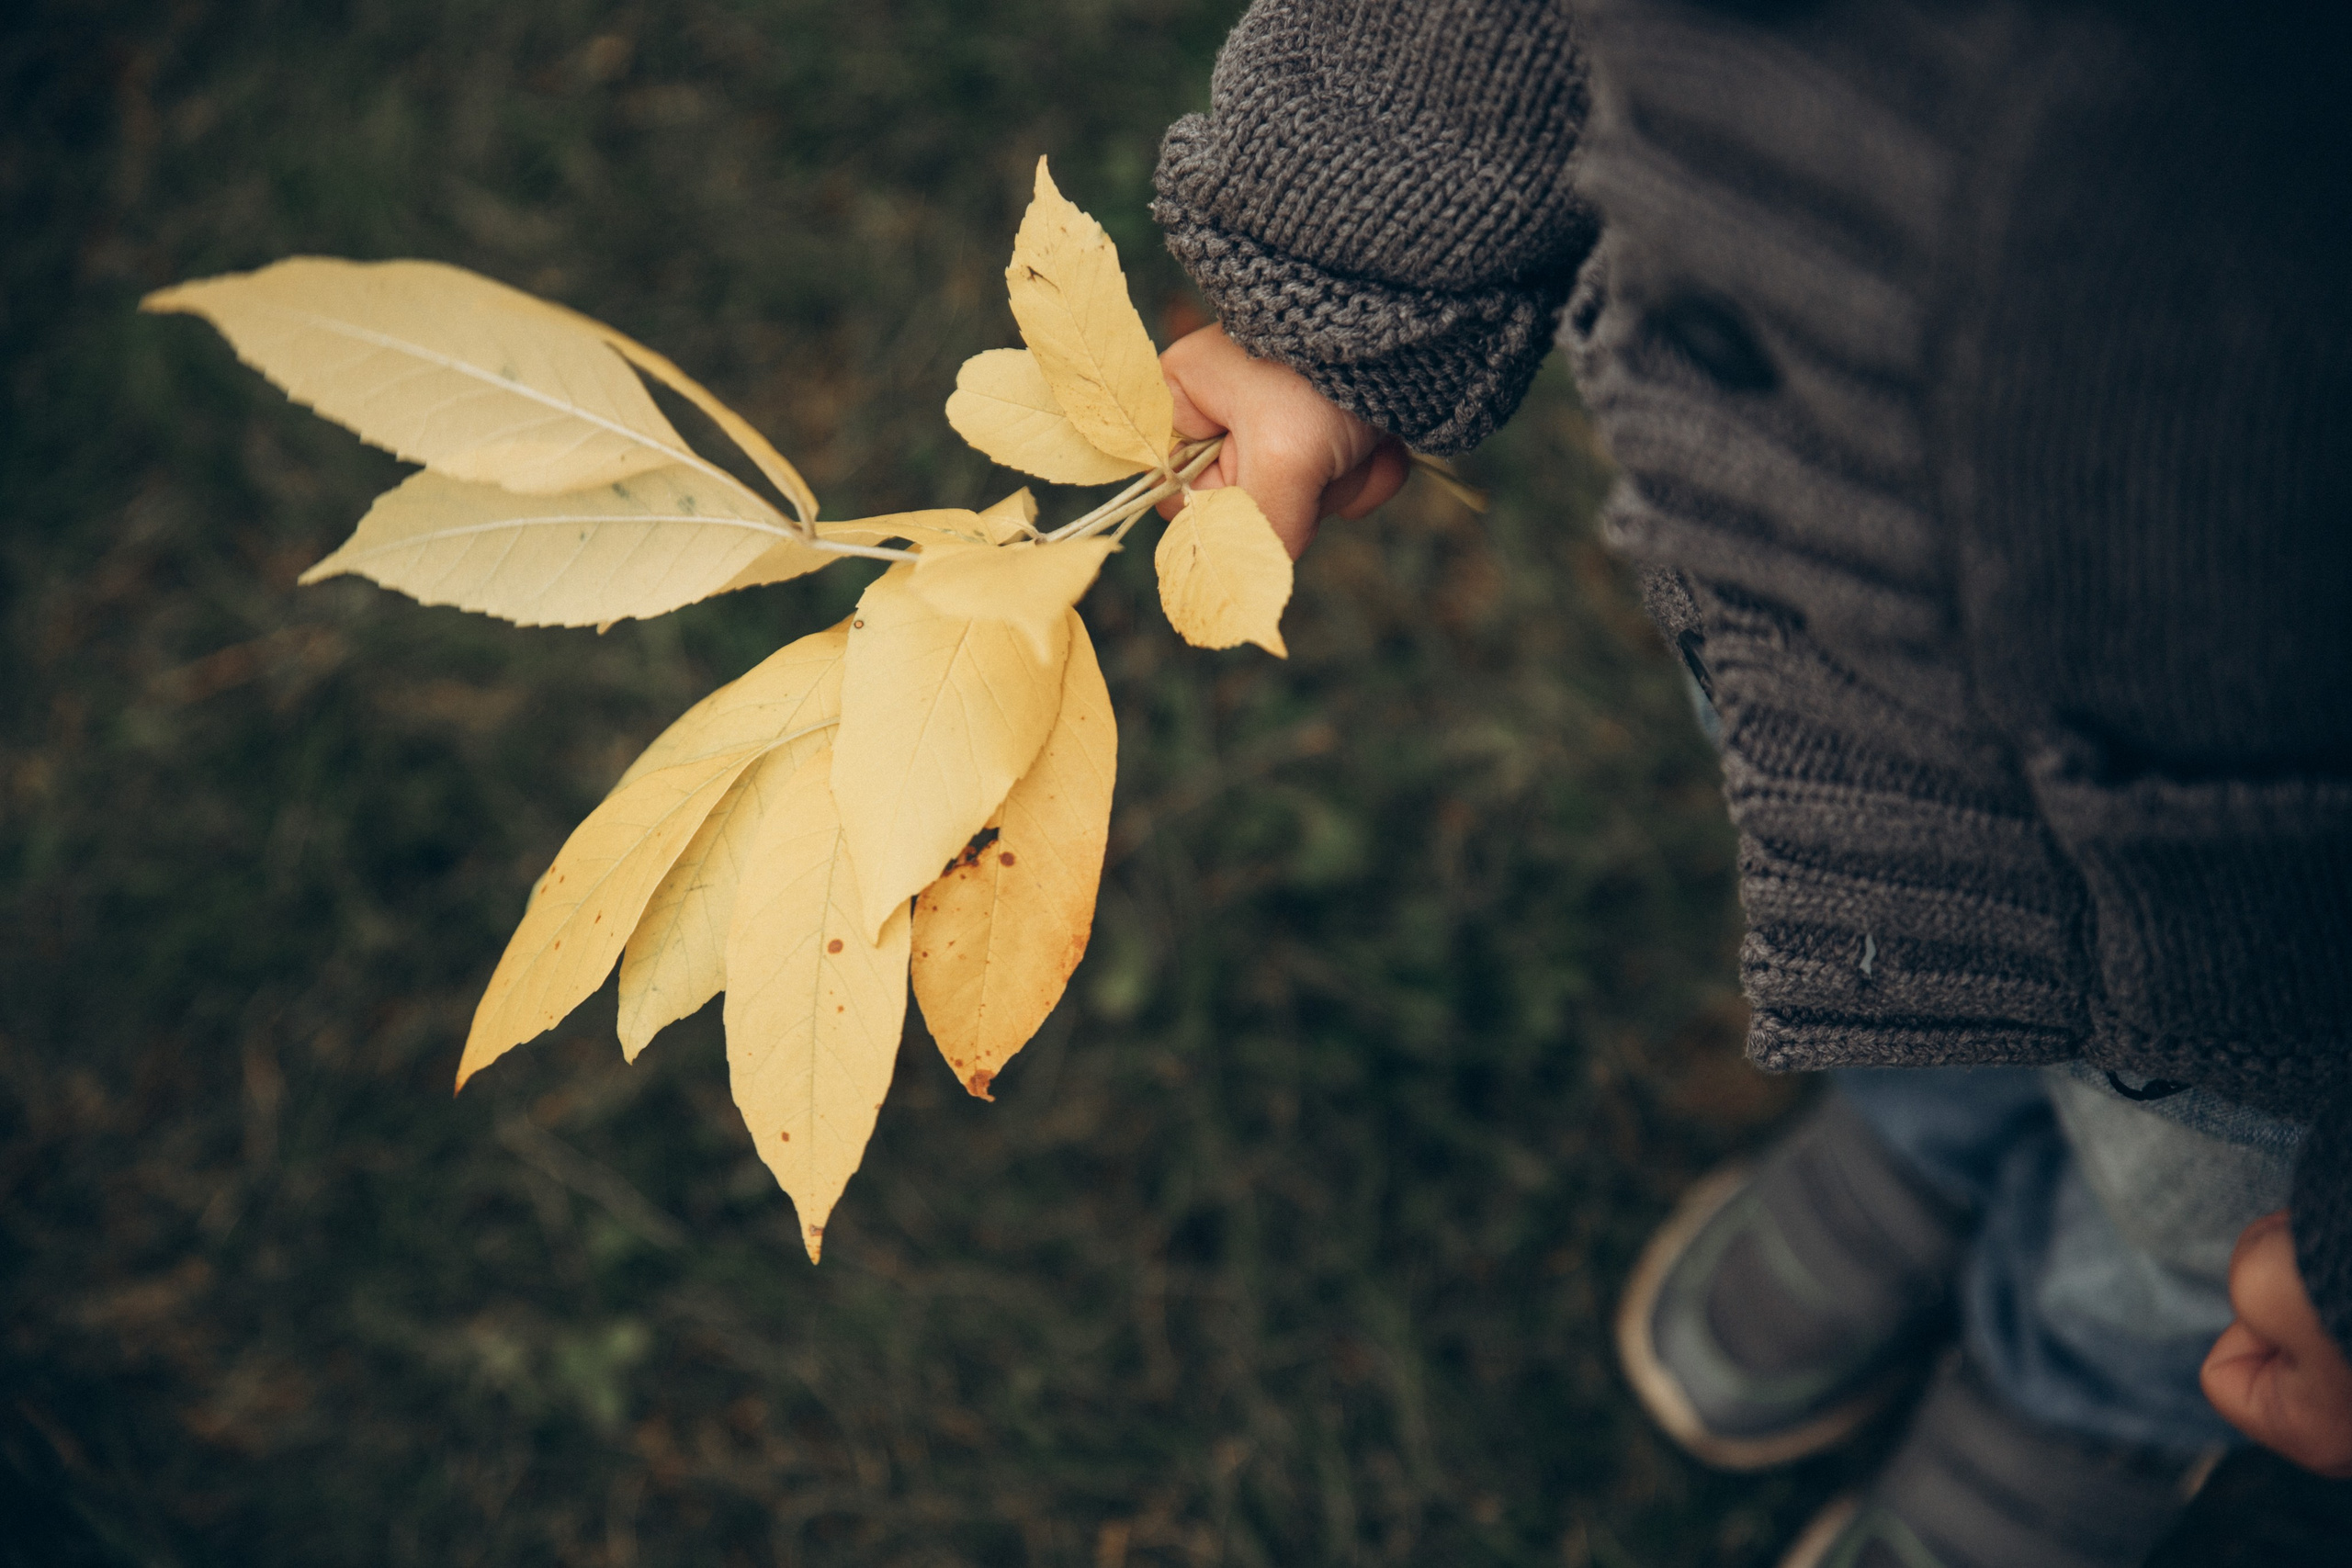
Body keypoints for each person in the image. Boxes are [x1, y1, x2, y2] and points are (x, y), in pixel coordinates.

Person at [1143, 2, 2352, 1563]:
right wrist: (1344, 269)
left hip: (2284, 878)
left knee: (2202, 1221)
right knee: (1894, 944)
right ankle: (1929, 1135)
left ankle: (2092, 1382)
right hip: (1834, 626)